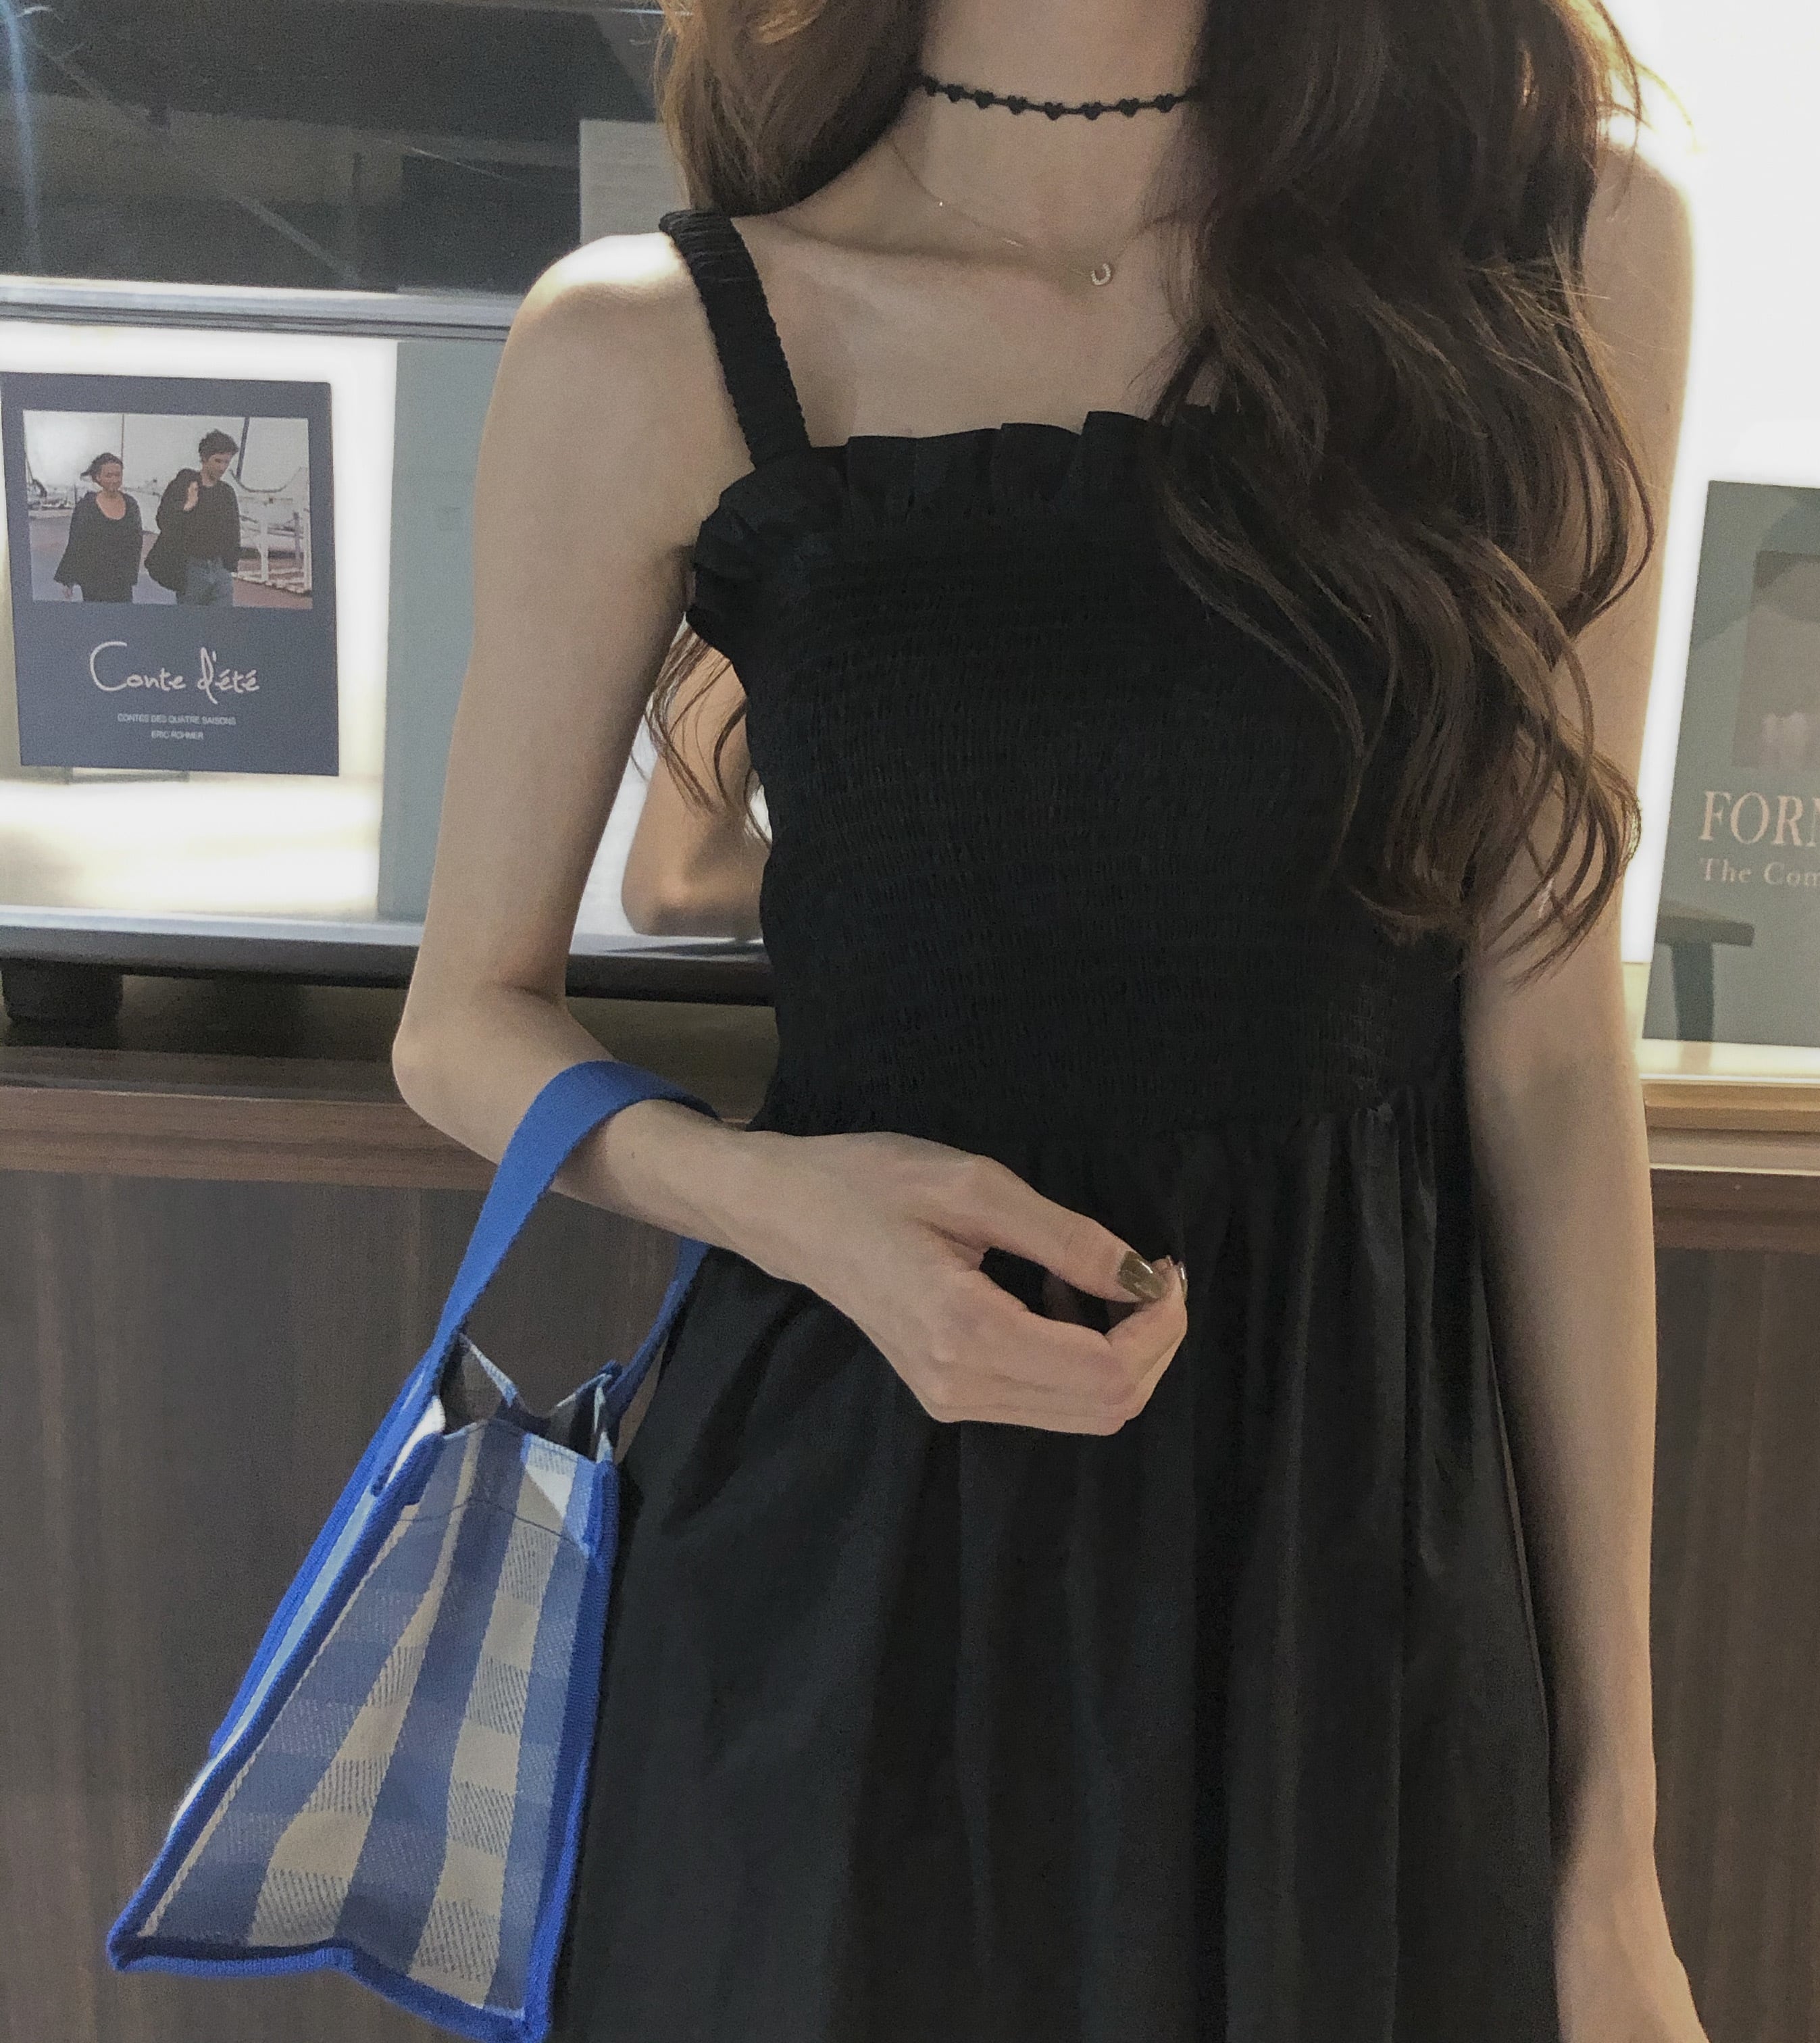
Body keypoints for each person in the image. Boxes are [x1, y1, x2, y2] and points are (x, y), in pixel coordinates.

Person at [392, 1, 1701, 2038]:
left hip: (1344, 1564)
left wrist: (1611, 1838)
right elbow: (463, 1022)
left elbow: (1542, 1047)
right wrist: (789, 1205)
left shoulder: (1543, 238)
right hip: (852, 1564)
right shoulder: (660, 342)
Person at [151, 429, 243, 605]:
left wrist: (229, 565)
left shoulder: (227, 492)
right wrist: (186, 506)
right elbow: (163, 520)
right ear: (204, 458)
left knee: (223, 619)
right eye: (218, 461)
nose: (222, 467)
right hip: (192, 568)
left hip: (220, 569)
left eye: (226, 462)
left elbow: (233, 530)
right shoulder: (185, 483)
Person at [51, 452, 145, 602]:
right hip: (93, 580)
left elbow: (136, 541)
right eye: (109, 476)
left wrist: (130, 574)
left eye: (118, 475)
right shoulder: (86, 507)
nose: (114, 480)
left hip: (121, 581)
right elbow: (76, 543)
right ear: (98, 477)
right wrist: (68, 580)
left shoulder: (131, 504)